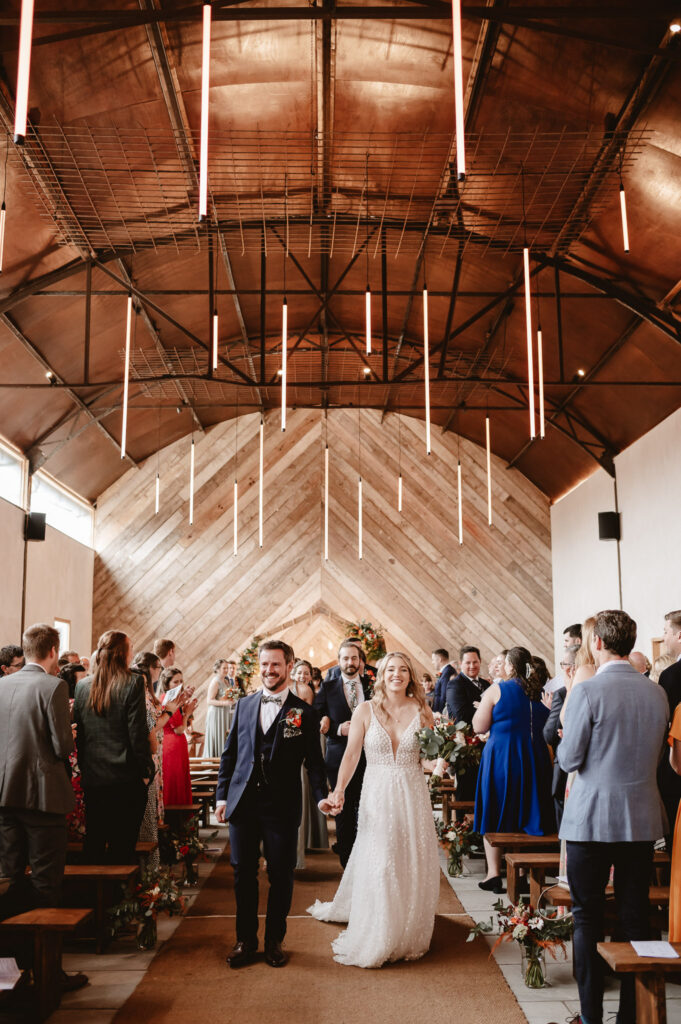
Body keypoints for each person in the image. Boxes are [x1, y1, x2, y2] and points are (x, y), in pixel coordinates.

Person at [558, 609, 668, 1024]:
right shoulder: (656, 692)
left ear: (598, 643)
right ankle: (630, 1016)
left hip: (591, 819)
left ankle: (589, 1018)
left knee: (586, 916)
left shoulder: (588, 692)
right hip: (640, 818)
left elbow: (569, 759)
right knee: (634, 915)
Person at [308, 652, 440, 968]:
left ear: (410, 675)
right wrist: (338, 790)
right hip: (377, 793)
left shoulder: (423, 711)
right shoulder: (365, 710)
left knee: (408, 858)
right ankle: (380, 931)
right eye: (390, 669)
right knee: (381, 861)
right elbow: (351, 756)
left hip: (412, 794)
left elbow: (431, 757)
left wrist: (447, 759)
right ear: (380, 674)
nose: (397, 674)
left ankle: (406, 928)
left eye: (403, 669)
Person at [215, 641, 328, 969]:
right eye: (264, 665)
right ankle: (245, 940)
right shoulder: (245, 705)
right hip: (243, 803)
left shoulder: (303, 713)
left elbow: (315, 764)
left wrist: (322, 796)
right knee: (242, 873)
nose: (268, 670)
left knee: (280, 874)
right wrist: (222, 796)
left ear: (289, 666)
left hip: (281, 805)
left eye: (276, 665)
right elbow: (230, 754)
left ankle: (274, 940)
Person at [0, 623, 88, 992]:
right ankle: (47, 972)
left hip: (5, 797)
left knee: (7, 880)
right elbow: (61, 745)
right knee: (46, 883)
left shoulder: (2, 685)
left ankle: (12, 972)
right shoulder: (54, 686)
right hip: (42, 796)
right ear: (53, 651)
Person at [473, 646, 554, 892]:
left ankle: (494, 873)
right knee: (527, 809)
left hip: (502, 756)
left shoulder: (496, 689)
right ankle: (521, 871)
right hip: (534, 757)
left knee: (495, 808)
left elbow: (478, 726)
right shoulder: (539, 692)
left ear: (510, 666)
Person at [73, 630, 155, 864]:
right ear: (123, 654)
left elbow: (80, 735)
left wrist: (86, 767)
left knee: (95, 841)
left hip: (94, 777)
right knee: (123, 845)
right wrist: (146, 771)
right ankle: (120, 899)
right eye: (130, 648)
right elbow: (136, 733)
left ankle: (93, 897)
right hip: (125, 778)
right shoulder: (132, 682)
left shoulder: (82, 686)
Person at [314, 641, 373, 867]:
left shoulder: (372, 685)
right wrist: (337, 728)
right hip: (339, 757)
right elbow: (317, 716)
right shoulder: (328, 688)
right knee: (344, 811)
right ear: (339, 662)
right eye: (345, 658)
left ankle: (368, 859)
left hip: (372, 757)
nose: (350, 662)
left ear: (360, 661)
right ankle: (348, 864)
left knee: (368, 807)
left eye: (354, 658)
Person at [543, 645, 577, 830]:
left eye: (563, 664)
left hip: (567, 767)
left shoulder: (563, 693)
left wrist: (552, 713)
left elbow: (549, 734)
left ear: (570, 668)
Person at [658, 610, 681, 850]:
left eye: (666, 632)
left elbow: (664, 724)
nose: (663, 638)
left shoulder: (672, 676)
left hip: (677, 767)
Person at [160, 667, 197, 807]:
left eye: (181, 681)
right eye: (175, 682)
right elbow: (179, 730)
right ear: (167, 684)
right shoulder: (169, 699)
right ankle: (176, 821)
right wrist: (187, 714)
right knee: (175, 782)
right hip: (172, 745)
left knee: (179, 780)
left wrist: (187, 710)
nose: (179, 684)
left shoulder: (173, 698)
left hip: (175, 745)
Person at [204, 660, 234, 757]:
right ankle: (215, 761)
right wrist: (224, 703)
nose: (226, 670)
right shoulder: (215, 682)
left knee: (225, 737)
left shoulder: (226, 681)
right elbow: (209, 700)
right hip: (217, 714)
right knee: (219, 737)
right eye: (224, 668)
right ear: (217, 669)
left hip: (225, 713)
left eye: (227, 668)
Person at [431, 647, 455, 714]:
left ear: (439, 659)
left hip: (441, 713)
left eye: (433, 660)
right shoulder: (443, 672)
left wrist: (438, 713)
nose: (432, 662)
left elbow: (443, 696)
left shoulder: (448, 672)